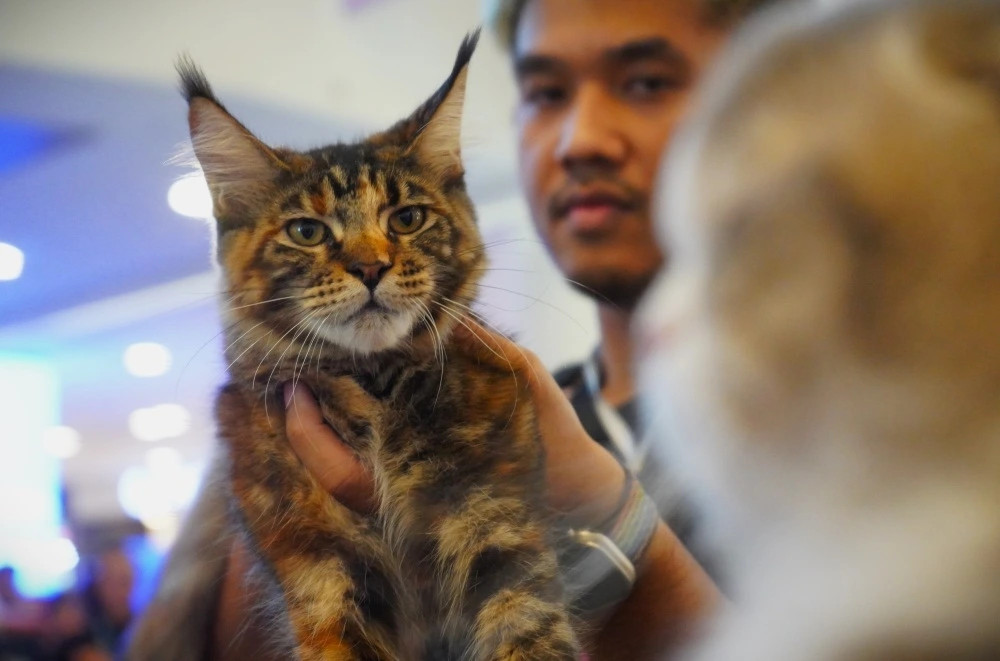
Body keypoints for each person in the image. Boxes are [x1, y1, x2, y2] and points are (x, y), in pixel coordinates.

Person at [208, 0, 773, 658]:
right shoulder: (301, 437)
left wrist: (611, 520)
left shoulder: (876, 406)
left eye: (644, 81)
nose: (581, 137)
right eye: (545, 92)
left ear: (766, 98)